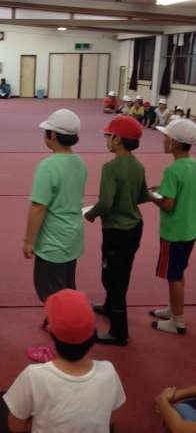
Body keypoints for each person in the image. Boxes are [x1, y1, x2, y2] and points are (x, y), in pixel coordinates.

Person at [0, 289, 125, 433]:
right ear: (93, 336)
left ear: (51, 334)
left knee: (1, 403)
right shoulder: (108, 371)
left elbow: (16, 427)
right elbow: (111, 419)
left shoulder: (33, 375)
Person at [24, 109, 87, 360]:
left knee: (53, 296)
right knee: (67, 287)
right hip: (73, 237)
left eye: (47, 131)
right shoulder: (80, 163)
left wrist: (29, 240)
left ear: (53, 135)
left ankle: (59, 346)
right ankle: (55, 322)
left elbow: (38, 207)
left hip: (52, 240)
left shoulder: (48, 166)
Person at [85, 116, 149, 346]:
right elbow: (143, 196)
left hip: (116, 231)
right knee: (122, 272)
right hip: (135, 228)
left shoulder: (110, 168)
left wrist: (91, 214)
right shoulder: (138, 165)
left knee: (112, 278)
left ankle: (119, 332)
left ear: (117, 139)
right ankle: (110, 306)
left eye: (108, 136)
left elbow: (105, 202)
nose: (106, 139)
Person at [148, 119, 196, 335]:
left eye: (166, 137)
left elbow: (168, 204)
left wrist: (150, 195)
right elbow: (183, 190)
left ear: (175, 143)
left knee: (173, 276)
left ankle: (178, 322)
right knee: (179, 271)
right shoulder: (193, 165)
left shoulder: (173, 170)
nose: (163, 140)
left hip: (173, 232)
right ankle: (173, 309)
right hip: (189, 230)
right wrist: (161, 188)